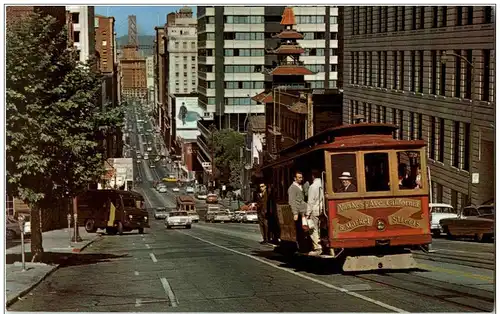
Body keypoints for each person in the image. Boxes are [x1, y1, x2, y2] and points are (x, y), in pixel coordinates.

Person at [306, 169, 324, 256]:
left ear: (313, 176)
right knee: (321, 228)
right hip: (323, 209)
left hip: (315, 209)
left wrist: (308, 213)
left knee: (313, 229)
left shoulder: (312, 186)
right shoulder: (323, 184)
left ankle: (317, 247)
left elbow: (310, 201)